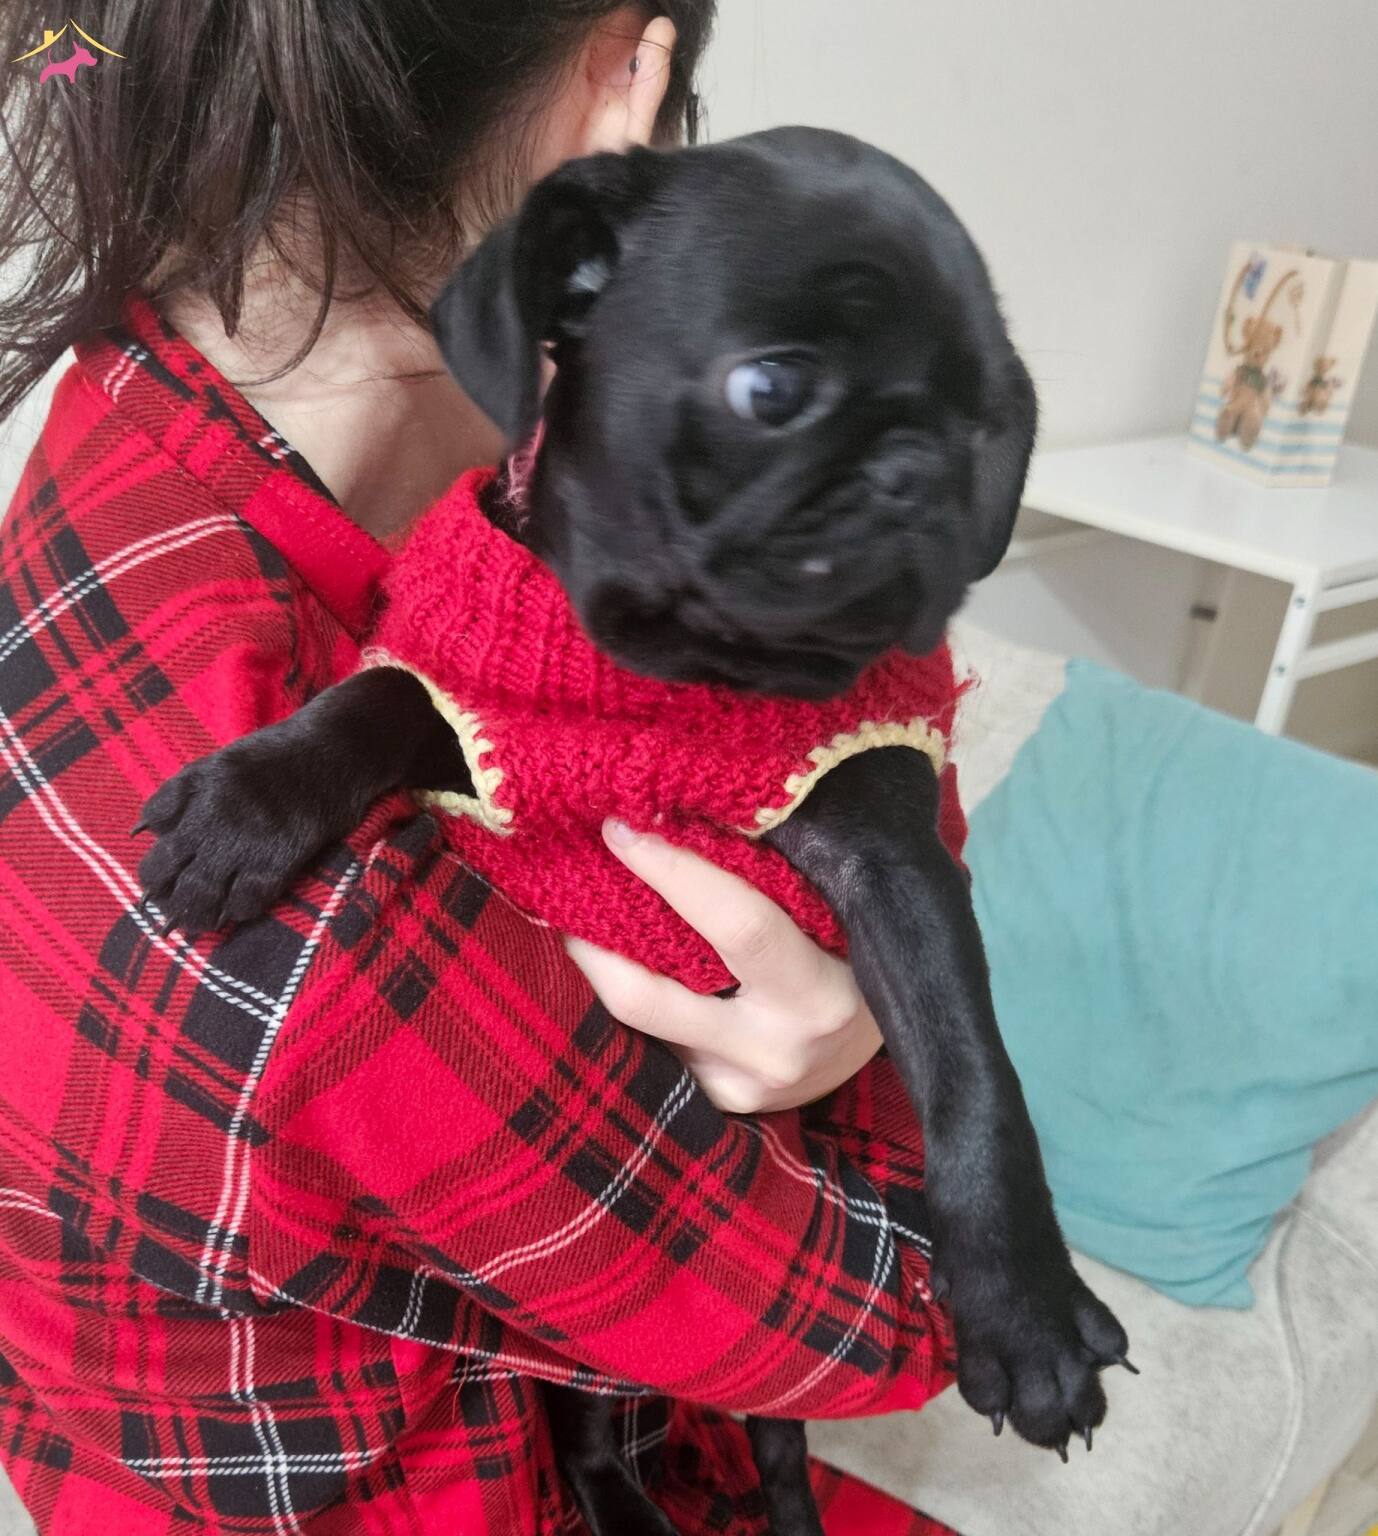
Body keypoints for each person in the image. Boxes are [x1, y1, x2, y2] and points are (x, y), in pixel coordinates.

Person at [0, 5, 958, 1532]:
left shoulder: (123, 420)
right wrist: (873, 1025)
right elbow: (914, 1305)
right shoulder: (297, 907)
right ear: (621, 78)